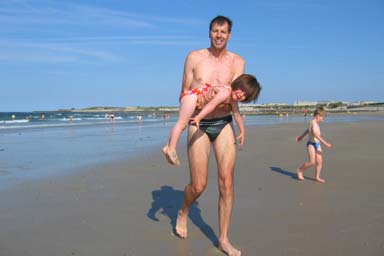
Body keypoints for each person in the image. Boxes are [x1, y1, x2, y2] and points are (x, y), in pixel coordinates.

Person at [174, 15, 249, 256]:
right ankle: (184, 211)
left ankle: (224, 239)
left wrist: (239, 124)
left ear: (229, 35)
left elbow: (237, 96)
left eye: (223, 32)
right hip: (199, 124)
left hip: (224, 122)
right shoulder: (194, 58)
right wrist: (197, 103)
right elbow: (183, 94)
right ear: (209, 33)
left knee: (227, 182)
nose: (219, 35)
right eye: (215, 31)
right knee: (199, 185)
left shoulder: (238, 62)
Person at [162, 74, 261, 165]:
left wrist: (242, 131)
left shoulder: (233, 100)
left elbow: (237, 115)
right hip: (192, 96)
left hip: (196, 99)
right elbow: (211, 105)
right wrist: (199, 117)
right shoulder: (226, 92)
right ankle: (171, 148)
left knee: (182, 124)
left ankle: (168, 146)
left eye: (245, 96)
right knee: (181, 124)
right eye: (242, 90)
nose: (241, 95)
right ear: (237, 84)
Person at [296, 106, 332, 182]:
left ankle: (317, 177)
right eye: (322, 118)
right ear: (317, 116)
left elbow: (307, 130)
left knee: (319, 161)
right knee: (312, 162)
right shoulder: (313, 123)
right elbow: (315, 134)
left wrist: (300, 137)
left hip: (317, 144)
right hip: (311, 144)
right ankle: (300, 170)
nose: (323, 119)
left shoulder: (315, 123)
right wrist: (326, 143)